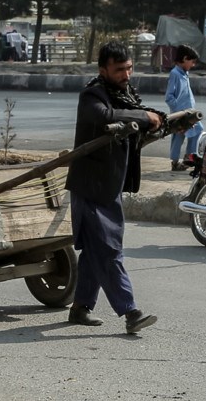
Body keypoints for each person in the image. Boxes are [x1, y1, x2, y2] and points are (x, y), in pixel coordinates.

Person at [65, 40, 162, 334]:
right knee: (108, 249)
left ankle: (80, 307)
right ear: (103, 70)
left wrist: (160, 120)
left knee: (97, 250)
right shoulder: (92, 95)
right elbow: (106, 117)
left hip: (110, 186)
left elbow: (138, 114)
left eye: (129, 68)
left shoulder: (126, 95)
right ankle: (130, 312)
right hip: (90, 186)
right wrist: (145, 118)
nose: (126, 75)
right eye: (119, 69)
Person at [165, 46, 202, 171]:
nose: (193, 64)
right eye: (192, 61)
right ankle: (175, 162)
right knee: (178, 136)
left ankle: (189, 157)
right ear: (185, 59)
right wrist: (177, 113)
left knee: (197, 129)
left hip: (189, 112)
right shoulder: (175, 74)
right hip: (180, 114)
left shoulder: (185, 74)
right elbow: (169, 97)